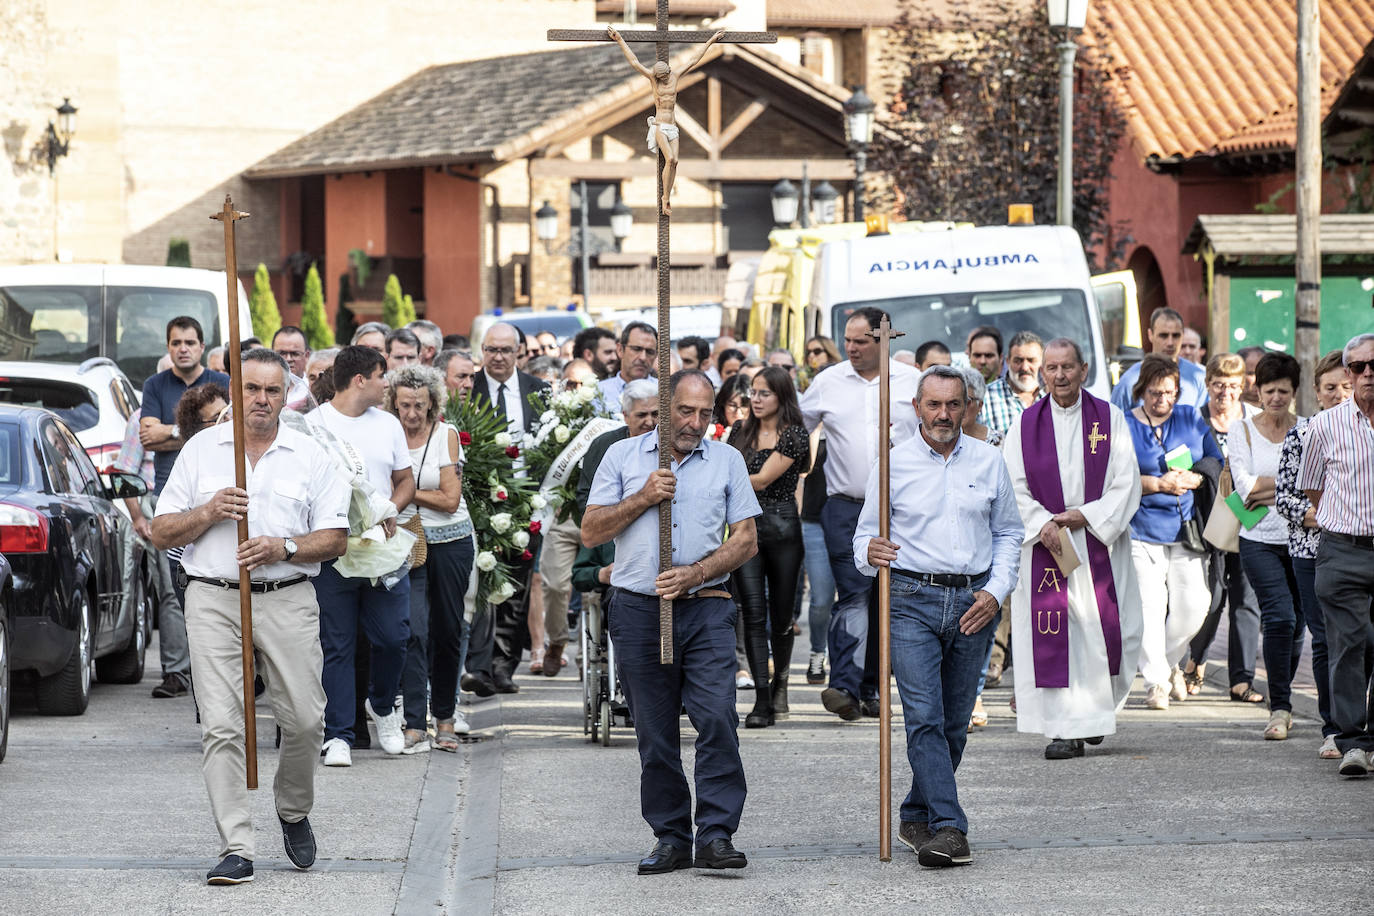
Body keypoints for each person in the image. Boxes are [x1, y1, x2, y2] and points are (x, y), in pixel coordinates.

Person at [151, 347, 349, 885]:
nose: (261, 400)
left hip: (286, 594)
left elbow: (335, 538)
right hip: (213, 596)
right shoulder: (201, 450)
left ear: (289, 396)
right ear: (235, 391)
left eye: (273, 390)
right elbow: (160, 530)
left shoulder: (309, 454)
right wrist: (209, 512)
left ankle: (293, 808)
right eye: (252, 389)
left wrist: (282, 546)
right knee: (221, 724)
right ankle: (236, 845)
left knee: (307, 720)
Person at [583, 369, 760, 874]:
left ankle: (718, 833)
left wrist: (695, 573)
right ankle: (671, 836)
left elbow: (745, 538)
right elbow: (592, 530)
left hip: (706, 605)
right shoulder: (621, 456)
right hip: (639, 608)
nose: (695, 423)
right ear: (664, 406)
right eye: (686, 411)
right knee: (654, 731)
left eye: (706, 414)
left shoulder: (726, 460)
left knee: (717, 718)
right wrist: (642, 497)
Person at [854, 365, 1022, 867]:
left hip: (974, 603)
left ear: (968, 406)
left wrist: (995, 592)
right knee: (924, 717)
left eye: (953, 404)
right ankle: (950, 828)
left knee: (953, 725)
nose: (944, 414)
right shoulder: (892, 464)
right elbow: (862, 539)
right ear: (917, 408)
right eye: (934, 404)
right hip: (909, 600)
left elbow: (1009, 534)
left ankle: (914, 813)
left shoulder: (990, 461)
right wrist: (873, 550)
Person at [1004, 338, 1143, 760]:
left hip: (1098, 540)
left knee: (1114, 632)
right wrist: (1042, 524)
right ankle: (1067, 728)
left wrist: (1087, 516)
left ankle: (1094, 714)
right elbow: (1012, 486)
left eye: (1068, 367)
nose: (1060, 376)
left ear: (1084, 370)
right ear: (1042, 373)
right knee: (1060, 639)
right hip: (1047, 545)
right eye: (1052, 368)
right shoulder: (1025, 425)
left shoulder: (1109, 417)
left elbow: (1126, 481)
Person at [801, 307, 921, 721]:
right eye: (847, 340)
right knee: (853, 593)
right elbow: (796, 427)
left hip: (903, 511)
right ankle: (845, 685)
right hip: (846, 507)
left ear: (884, 340)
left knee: (884, 597)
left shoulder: (912, 383)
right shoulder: (827, 382)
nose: (850, 348)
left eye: (861, 341)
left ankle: (871, 687)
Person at [306, 346, 416, 766]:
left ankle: (383, 707)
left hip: (382, 550)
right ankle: (338, 735)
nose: (387, 384)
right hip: (332, 550)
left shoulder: (387, 425)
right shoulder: (312, 426)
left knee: (393, 637)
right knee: (336, 643)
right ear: (360, 381)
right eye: (382, 375)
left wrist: (390, 506)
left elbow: (403, 480)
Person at [140, 316, 232, 698]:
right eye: (176, 342)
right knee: (173, 589)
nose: (183, 348)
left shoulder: (223, 384)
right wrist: (193, 431)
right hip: (169, 497)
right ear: (168, 345)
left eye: (190, 342)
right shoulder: (155, 385)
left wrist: (172, 431)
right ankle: (176, 672)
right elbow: (148, 437)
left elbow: (227, 433)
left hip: (220, 495)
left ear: (201, 345)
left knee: (218, 582)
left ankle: (228, 670)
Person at [1122, 355, 1221, 710]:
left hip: (1186, 528)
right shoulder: (1124, 424)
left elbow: (1215, 461)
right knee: (1150, 605)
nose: (1161, 400)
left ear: (1178, 392)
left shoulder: (1191, 418)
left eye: (1168, 393)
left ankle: (1165, 663)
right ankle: (1156, 683)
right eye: (1153, 392)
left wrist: (1194, 478)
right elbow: (1115, 477)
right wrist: (1156, 484)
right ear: (1140, 390)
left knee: (1196, 605)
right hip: (1140, 527)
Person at [387, 365, 475, 753]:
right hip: (408, 542)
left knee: (448, 629)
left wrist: (405, 491)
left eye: (419, 405)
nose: (411, 414)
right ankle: (413, 720)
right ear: (393, 404)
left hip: (451, 540)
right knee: (413, 630)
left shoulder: (446, 435)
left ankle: (445, 718)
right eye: (404, 405)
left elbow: (450, 499)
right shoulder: (386, 434)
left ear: (432, 404)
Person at [1299, 333, 1374, 777]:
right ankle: (1352, 740)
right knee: (1347, 645)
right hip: (1343, 549)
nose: (1368, 374)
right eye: (1359, 367)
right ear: (1347, 374)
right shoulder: (1324, 426)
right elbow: (1313, 487)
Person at [1276, 350, 1355, 758]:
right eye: (1330, 388)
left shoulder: (1366, 430)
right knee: (1324, 639)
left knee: (1358, 639)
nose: (1340, 394)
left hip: (1359, 550)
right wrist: (1321, 516)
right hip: (1311, 550)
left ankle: (1358, 725)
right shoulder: (1303, 434)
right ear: (1316, 393)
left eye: (1346, 385)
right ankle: (1332, 727)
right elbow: (1284, 497)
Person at [467, 322, 550, 694]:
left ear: (519, 352)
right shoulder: (468, 389)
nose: (497, 357)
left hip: (527, 501)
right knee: (482, 584)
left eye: (505, 350)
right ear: (482, 351)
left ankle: (504, 666)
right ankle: (479, 666)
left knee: (517, 589)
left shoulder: (539, 392)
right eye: (491, 350)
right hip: (480, 501)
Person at [1230, 352, 1307, 740]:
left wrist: (1270, 487)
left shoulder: (1308, 429)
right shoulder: (1241, 430)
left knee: (1299, 626)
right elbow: (1244, 488)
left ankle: (1283, 692)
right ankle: (1280, 707)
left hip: (1302, 539)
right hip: (1258, 539)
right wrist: (1287, 487)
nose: (1276, 398)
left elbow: (1314, 486)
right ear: (1257, 392)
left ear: (1294, 392)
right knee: (1279, 617)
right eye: (1269, 391)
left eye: (1283, 391)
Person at [727, 367, 809, 727]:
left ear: (781, 396)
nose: (756, 400)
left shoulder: (794, 435)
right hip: (745, 529)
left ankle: (780, 684)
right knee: (753, 613)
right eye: (753, 393)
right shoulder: (738, 432)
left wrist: (729, 478)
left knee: (781, 618)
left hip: (782, 528)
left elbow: (760, 480)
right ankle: (762, 699)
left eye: (764, 393)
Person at [1183, 352, 1264, 703]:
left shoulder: (1256, 419)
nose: (1226, 393)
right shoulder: (1194, 420)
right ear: (1207, 384)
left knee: (1247, 601)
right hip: (1207, 524)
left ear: (1244, 385)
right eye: (1218, 385)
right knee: (1211, 599)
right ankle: (1195, 659)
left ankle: (1241, 681)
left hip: (1251, 519)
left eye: (1233, 385)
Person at [608, 25, 724, 214]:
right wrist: (620, 40)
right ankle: (665, 198)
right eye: (662, 77)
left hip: (672, 126)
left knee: (676, 161)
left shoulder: (676, 76)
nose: (665, 78)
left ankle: (667, 195)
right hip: (660, 125)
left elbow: (694, 60)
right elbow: (635, 63)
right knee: (669, 158)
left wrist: (711, 40)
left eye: (666, 75)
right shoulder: (654, 81)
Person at [959, 367, 1007, 729]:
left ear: (976, 404)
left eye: (961, 403)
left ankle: (973, 694)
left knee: (982, 625)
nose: (951, 413)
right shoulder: (932, 445)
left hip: (987, 554)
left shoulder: (999, 444)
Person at [1111, 308, 1208, 411]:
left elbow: (1206, 423)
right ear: (1150, 335)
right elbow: (1114, 422)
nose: (1170, 342)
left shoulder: (1198, 378)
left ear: (1182, 335)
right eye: (1163, 336)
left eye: (1175, 335)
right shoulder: (1130, 380)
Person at [980, 330, 1045, 435]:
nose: (1024, 367)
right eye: (1018, 361)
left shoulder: (1054, 395)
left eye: (1031, 360)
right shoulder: (984, 397)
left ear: (1043, 362)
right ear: (1007, 361)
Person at [598, 321, 657, 406]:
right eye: (636, 349)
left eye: (650, 352)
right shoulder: (599, 393)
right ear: (620, 350)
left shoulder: (664, 392)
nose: (643, 357)